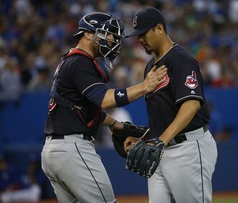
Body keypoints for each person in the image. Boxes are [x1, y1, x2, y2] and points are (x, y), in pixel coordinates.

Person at [41, 11, 167, 203]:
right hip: (72, 150)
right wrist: (145, 86)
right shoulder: (80, 62)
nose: (111, 40)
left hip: (54, 152)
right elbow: (105, 100)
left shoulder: (70, 60)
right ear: (88, 34)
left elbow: (82, 109)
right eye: (107, 34)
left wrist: (117, 125)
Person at [125, 7, 218, 203]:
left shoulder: (181, 60)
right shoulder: (150, 67)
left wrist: (161, 140)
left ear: (159, 29)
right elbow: (163, 116)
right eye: (137, 35)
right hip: (161, 150)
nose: (140, 39)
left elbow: (191, 104)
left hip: (188, 149)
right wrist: (145, 139)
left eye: (143, 33)